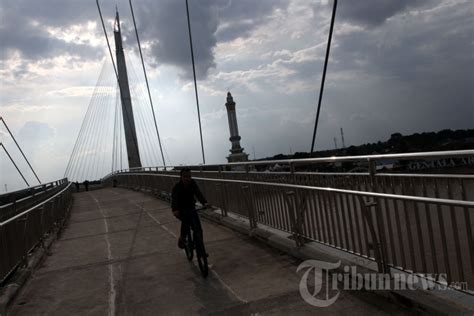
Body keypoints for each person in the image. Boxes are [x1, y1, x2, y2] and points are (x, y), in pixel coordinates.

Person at [171, 168, 208, 249]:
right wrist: (175, 210)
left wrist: (204, 202)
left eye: (189, 176)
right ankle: (182, 237)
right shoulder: (177, 187)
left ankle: (200, 247)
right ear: (181, 177)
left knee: (198, 229)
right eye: (185, 176)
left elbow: (198, 193)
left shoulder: (192, 183)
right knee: (186, 222)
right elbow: (174, 200)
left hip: (191, 207)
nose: (187, 178)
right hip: (181, 210)